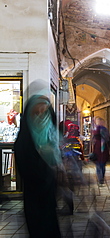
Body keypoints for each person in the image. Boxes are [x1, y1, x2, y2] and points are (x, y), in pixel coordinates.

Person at [14, 82, 62, 237]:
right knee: (37, 224)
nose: (43, 109)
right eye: (40, 104)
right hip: (35, 187)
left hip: (48, 186)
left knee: (50, 223)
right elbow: (23, 157)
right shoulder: (27, 134)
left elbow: (55, 144)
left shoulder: (48, 123)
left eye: (45, 105)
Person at [92, 117, 110, 185]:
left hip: (99, 149)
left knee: (100, 165)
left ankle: (100, 178)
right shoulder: (102, 130)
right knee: (101, 165)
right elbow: (108, 140)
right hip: (101, 150)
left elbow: (92, 141)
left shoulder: (95, 130)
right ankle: (101, 178)